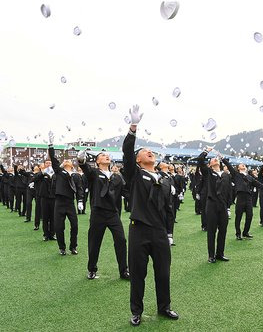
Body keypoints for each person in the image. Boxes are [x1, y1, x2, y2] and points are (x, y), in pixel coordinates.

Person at [122, 105, 178, 326]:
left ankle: (165, 307)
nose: (149, 152)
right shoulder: (134, 175)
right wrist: (133, 128)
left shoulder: (164, 178)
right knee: (138, 274)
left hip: (159, 232)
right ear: (138, 160)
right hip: (139, 230)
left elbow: (168, 208)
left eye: (151, 151)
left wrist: (169, 232)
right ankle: (137, 311)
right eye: (144, 151)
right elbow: (127, 152)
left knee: (163, 273)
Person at [78, 151, 129, 280]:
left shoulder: (117, 177)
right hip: (98, 213)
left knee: (121, 240)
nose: (106, 156)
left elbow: (126, 192)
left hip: (113, 214)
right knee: (95, 242)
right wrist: (81, 160)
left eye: (107, 155)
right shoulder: (94, 174)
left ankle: (124, 271)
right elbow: (86, 168)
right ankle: (92, 269)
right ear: (97, 161)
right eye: (102, 156)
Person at [48, 134, 84, 255]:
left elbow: (79, 189)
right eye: (66, 160)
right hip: (59, 202)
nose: (68, 161)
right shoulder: (59, 172)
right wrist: (51, 145)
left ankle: (73, 247)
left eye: (70, 160)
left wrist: (80, 201)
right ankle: (62, 247)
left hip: (70, 203)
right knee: (59, 227)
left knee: (74, 226)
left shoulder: (76, 175)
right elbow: (53, 159)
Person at [194, 147, 230, 263]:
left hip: (223, 205)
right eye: (212, 160)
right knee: (211, 231)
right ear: (209, 165)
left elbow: (228, 191)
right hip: (212, 204)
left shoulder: (225, 174)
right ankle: (211, 255)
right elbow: (200, 160)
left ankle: (220, 253)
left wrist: (228, 206)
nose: (215, 159)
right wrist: (206, 151)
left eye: (216, 159)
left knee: (223, 230)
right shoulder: (208, 173)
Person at [223, 158, 263, 240]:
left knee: (250, 215)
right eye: (241, 165)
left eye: (244, 164)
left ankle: (245, 232)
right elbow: (229, 165)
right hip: (240, 197)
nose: (243, 165)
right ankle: (238, 233)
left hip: (249, 197)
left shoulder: (249, 177)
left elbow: (258, 184)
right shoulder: (236, 174)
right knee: (238, 216)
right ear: (238, 168)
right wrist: (223, 159)